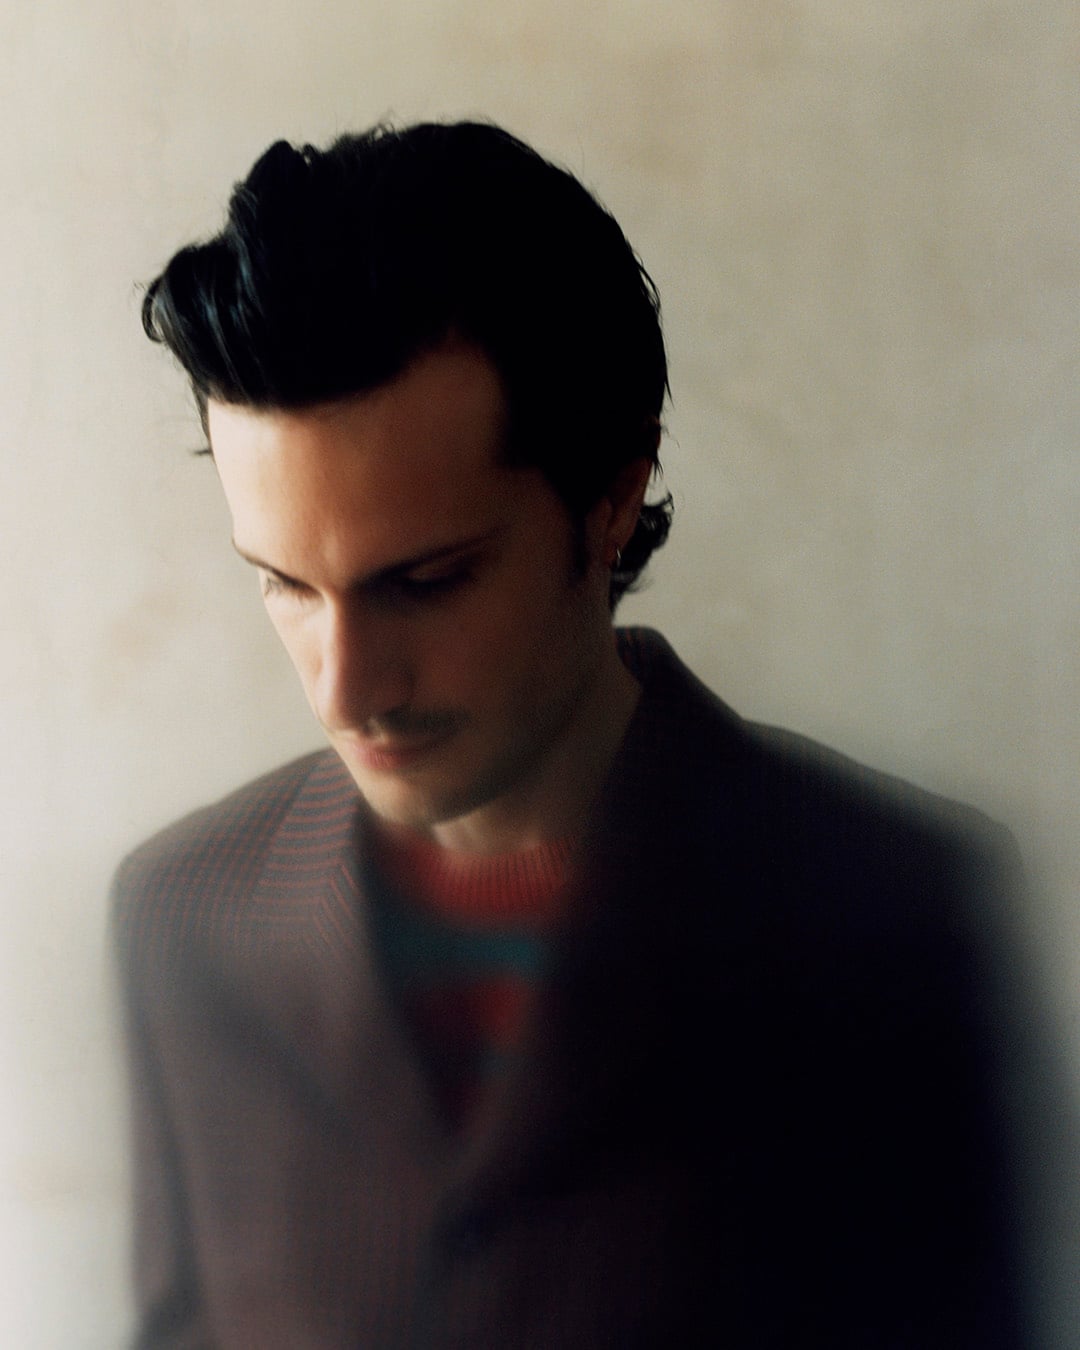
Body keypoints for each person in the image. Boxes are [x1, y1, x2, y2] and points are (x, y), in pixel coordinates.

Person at [114, 120, 1038, 1348]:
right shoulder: (179, 916)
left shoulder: (897, 914)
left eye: (426, 580)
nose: (343, 690)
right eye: (282, 583)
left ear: (610, 502)